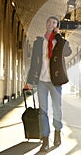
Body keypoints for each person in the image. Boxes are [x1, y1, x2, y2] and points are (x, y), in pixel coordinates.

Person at [25, 16, 72, 152]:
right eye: (48, 22)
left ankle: (57, 131)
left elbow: (68, 52)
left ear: (56, 26)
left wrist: (59, 36)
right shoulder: (39, 42)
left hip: (56, 82)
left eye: (53, 23)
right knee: (42, 111)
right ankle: (45, 139)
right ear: (45, 24)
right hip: (42, 82)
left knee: (57, 109)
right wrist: (29, 81)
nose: (50, 24)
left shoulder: (59, 41)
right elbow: (34, 62)